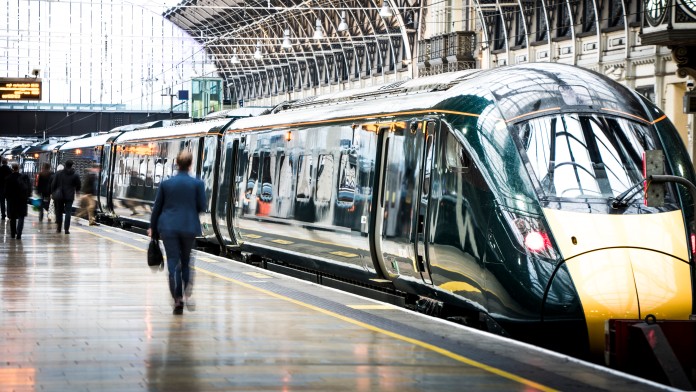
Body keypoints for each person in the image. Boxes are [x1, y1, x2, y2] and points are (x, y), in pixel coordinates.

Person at [147, 150, 205, 314]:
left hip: (168, 228)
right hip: (189, 227)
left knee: (173, 262)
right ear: (190, 164)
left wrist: (153, 228)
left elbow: (156, 209)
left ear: (177, 164)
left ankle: (177, 299)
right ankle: (186, 294)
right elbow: (202, 207)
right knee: (186, 262)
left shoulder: (166, 184)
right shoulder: (198, 184)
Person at [50, 160, 81, 234]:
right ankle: (66, 229)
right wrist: (77, 191)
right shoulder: (75, 175)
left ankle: (59, 228)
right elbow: (78, 185)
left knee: (59, 212)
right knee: (68, 213)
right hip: (69, 196)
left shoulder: (59, 174)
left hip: (59, 195)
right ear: (72, 165)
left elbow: (53, 184)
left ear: (65, 165)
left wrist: (52, 192)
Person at [4, 163, 31, 239]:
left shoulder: (8, 178)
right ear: (18, 168)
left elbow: (6, 191)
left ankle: (13, 234)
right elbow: (27, 189)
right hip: (22, 200)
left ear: (12, 168)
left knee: (12, 217)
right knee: (21, 217)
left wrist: (8, 198)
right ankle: (19, 233)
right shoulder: (23, 177)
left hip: (12, 201)